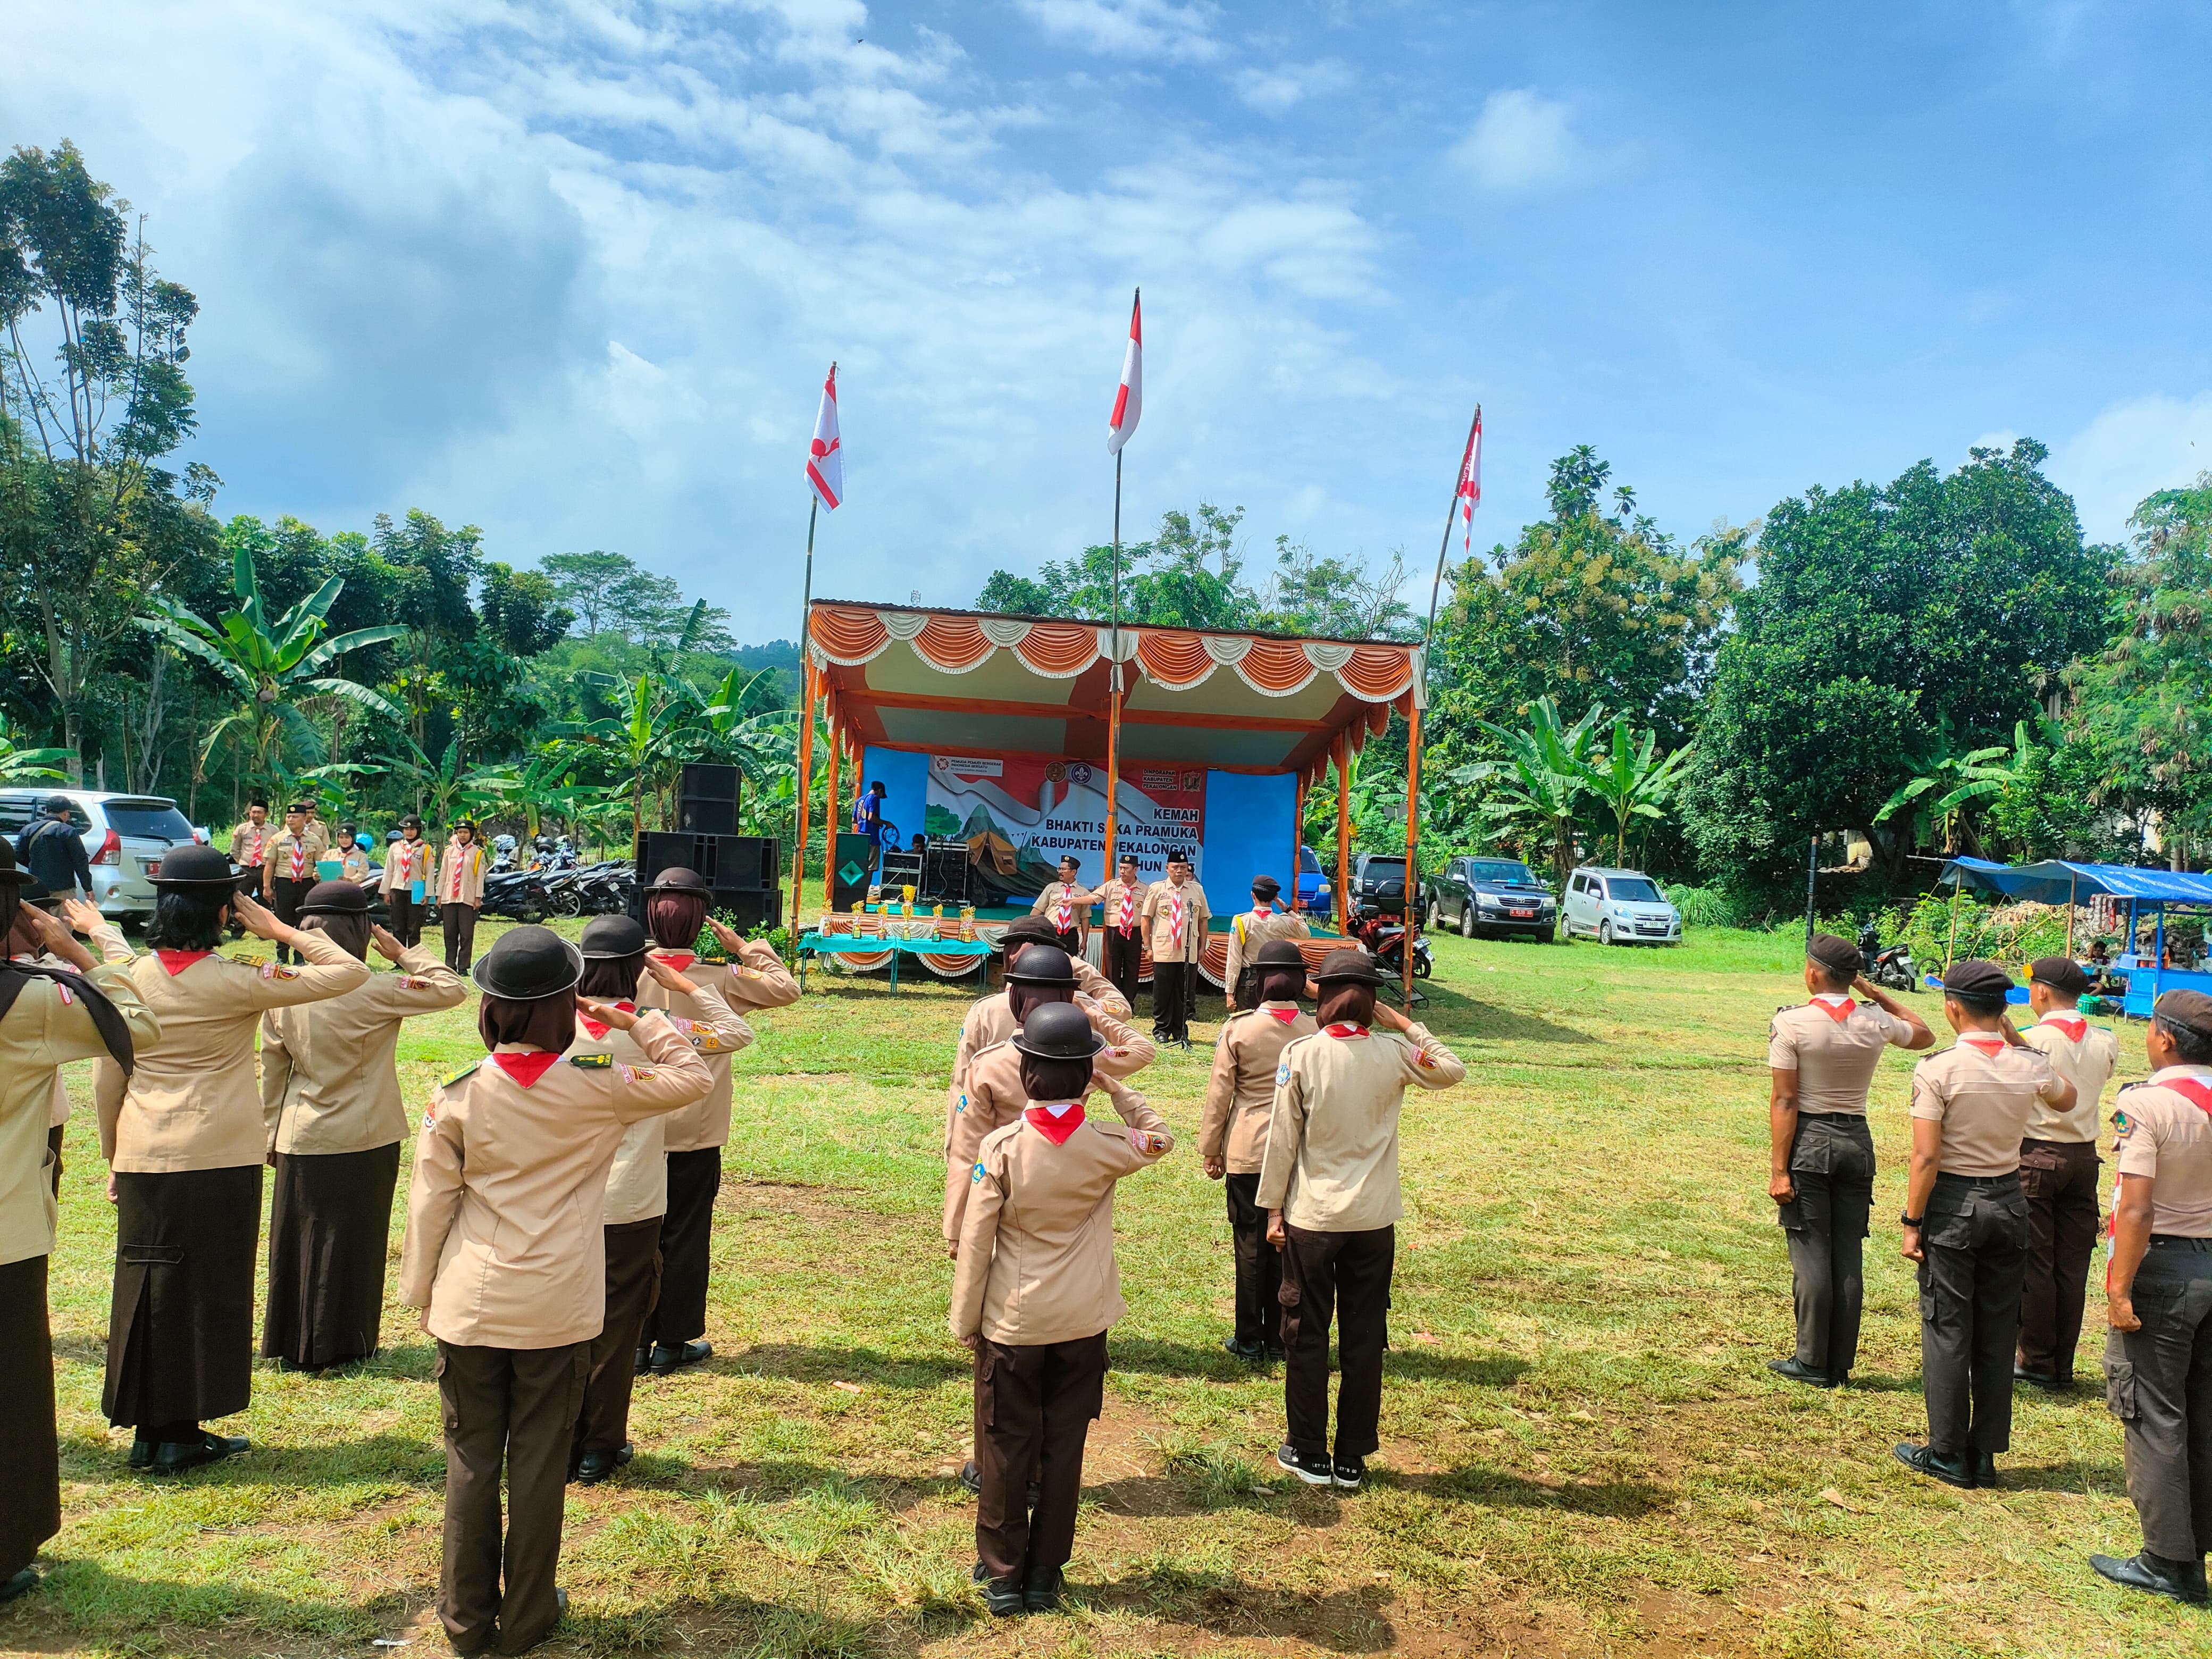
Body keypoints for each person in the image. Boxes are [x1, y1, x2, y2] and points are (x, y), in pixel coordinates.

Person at [399, 926, 710, 1656]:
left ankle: (466, 1620)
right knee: (539, 1463)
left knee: (471, 1462)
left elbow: (429, 1207)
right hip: (559, 1306)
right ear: (566, 1003)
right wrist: (641, 1020)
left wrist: (419, 1295)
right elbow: (693, 1078)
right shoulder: (599, 1083)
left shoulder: (459, 1098)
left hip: (470, 1304)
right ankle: (529, 1614)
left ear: (492, 1009)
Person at [92, 843, 368, 1472]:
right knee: (206, 1292)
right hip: (217, 1156)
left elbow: (109, 1079)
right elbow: (349, 973)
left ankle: (152, 1431)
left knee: (147, 1285)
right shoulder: (239, 982)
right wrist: (278, 929)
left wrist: (114, 1155)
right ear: (223, 914)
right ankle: (181, 1432)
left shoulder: (128, 979)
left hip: (143, 1154)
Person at [950, 1000, 1174, 1616]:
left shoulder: (999, 1148)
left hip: (1013, 1321)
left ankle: (1001, 1574)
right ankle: (1045, 1572)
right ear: (1083, 1077)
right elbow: (1161, 1137)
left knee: (1002, 1447)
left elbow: (976, 1243)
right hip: (1082, 1320)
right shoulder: (1107, 1145)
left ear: (1026, 1076)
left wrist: (965, 1320)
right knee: (1062, 1448)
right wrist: (1116, 1087)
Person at [0, 845, 156, 1603]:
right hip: (6, 1231)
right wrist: (74, 949)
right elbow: (140, 1028)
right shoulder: (28, 1000)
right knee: (10, 1394)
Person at [1257, 949, 1465, 1491]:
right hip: (1373, 1222)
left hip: (1313, 1219)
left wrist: (1273, 1211)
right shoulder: (1393, 1054)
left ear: (1323, 997)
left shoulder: (1300, 1054)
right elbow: (1451, 1070)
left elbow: (1281, 1142)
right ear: (1371, 1001)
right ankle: (1351, 1455)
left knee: (1305, 1334)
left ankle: (1307, 1451)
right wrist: (1406, 1024)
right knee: (1364, 1337)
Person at [258, 880, 466, 1373]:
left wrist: (269, 1132)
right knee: (355, 1241)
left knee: (297, 1236)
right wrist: (404, 952)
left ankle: (293, 1340)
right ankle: (345, 1341)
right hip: (364, 1132)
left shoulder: (282, 986)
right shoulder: (375, 988)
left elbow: (272, 1068)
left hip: (299, 1130)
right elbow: (453, 990)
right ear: (359, 931)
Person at [1892, 959, 2075, 1490]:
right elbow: (2066, 1098)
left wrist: (1911, 1221)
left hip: (1953, 1204)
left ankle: (1946, 1450)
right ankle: (1984, 1453)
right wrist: (2016, 1041)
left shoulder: (1937, 1069)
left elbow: (1925, 1159)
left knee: (1948, 1329)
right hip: (2008, 1201)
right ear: (2003, 1011)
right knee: (1996, 1333)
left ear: (1951, 1008)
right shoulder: (2027, 1065)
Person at [565, 916, 730, 1481]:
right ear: (639, 971)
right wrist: (683, 987)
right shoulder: (654, 1029)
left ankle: (560, 1438)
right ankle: (599, 1446)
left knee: (561, 1326)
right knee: (616, 1327)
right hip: (630, 1202)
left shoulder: (554, 1025)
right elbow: (734, 1034)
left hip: (562, 1201)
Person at [632, 867, 801, 1376]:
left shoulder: (627, 973)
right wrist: (746, 946)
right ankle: (673, 1343)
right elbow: (786, 988)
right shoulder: (721, 979)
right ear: (703, 920)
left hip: (636, 1124)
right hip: (695, 1131)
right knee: (686, 1234)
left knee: (636, 1234)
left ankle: (636, 1341)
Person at [1764, 932, 1933, 1388]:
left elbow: (1785, 1101)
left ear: (1814, 974)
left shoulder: (1792, 1024)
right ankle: (1840, 1361)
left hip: (1812, 1141)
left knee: (1811, 1253)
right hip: (1857, 1140)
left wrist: (1780, 1170)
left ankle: (1812, 1360)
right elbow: (1924, 1034)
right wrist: (1875, 994)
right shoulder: (1873, 1021)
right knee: (1847, 1254)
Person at [2091, 988, 2212, 1604]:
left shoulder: (2143, 1103)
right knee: (2201, 1408)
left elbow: (2134, 1205)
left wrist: (2117, 1289)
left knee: (2152, 1411)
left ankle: (2166, 1561)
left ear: (2164, 1039)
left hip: (2162, 1266)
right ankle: (2192, 1546)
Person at [944, 946, 1155, 1255]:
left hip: (1004, 1175)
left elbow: (967, 1150)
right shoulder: (1087, 1057)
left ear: (1015, 997)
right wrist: (1093, 1013)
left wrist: (956, 1228)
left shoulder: (987, 1064)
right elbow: (1142, 1050)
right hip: (1068, 1175)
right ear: (1069, 997)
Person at [1201, 938, 1318, 1361]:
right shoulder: (1313, 1030)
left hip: (1249, 1148)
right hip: (1299, 1152)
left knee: (1250, 1243)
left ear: (1260, 981)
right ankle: (1282, 1335)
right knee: (1290, 1245)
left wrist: (1211, 1149)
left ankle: (1249, 1338)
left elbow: (1220, 1096)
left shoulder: (1240, 1028)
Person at [2015, 955, 2121, 1391]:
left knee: (2037, 1261)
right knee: (2072, 1265)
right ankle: (2062, 1361)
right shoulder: (2108, 1040)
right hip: (2083, 1159)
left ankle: (2035, 1358)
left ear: (2040, 991)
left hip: (2036, 1155)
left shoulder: (2028, 1039)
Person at [950, 916, 1132, 1108]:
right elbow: (1121, 1008)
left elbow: (961, 1079)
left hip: (996, 1129)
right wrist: (1075, 965)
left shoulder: (984, 1010)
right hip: (1063, 1127)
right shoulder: (1077, 1006)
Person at [1140, 850, 1209, 1046]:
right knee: (1162, 992)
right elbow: (1146, 919)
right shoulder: (1157, 889)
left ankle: (1180, 1030)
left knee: (1184, 992)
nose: (1179, 871)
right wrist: (1147, 946)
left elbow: (1203, 920)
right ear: (1167, 868)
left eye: (1183, 867)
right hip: (1164, 948)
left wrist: (1202, 946)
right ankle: (1161, 1030)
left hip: (1189, 950)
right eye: (1175, 867)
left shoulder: (1196, 890)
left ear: (1188, 868)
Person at [1222, 875, 1311, 1012]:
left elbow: (1234, 958)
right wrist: (1287, 909)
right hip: (1275, 981)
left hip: (1249, 980)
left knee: (1247, 1024)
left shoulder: (1241, 921)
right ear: (1275, 897)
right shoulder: (1283, 922)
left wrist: (1229, 991)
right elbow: (1306, 933)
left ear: (1253, 895)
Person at [262, 802, 325, 966]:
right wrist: (266, 887)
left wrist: (321, 878)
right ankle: (282, 955)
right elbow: (270, 864)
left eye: (295, 817)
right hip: (284, 884)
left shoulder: (314, 840)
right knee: (283, 920)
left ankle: (300, 956)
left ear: (304, 818)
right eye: (288, 816)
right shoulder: (277, 839)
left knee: (303, 921)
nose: (290, 820)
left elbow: (321, 864)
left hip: (306, 884)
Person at [1095, 854, 1147, 1010]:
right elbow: (1093, 898)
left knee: (1133, 967)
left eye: (1126, 868)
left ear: (1136, 870)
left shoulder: (1145, 889)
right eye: (1120, 868)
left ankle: (1129, 1002)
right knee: (1112, 967)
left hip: (1135, 932)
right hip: (1114, 932)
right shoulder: (1111, 886)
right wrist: (1073, 901)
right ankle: (1114, 1001)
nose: (1122, 871)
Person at [14, 795, 89, 901]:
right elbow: (80, 861)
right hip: (63, 888)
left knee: (38, 917)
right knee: (64, 918)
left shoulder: (28, 830)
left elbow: (19, 855)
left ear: (47, 812)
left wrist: (36, 864)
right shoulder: (68, 831)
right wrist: (87, 887)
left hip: (36, 888)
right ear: (65, 813)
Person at [438, 819, 488, 975]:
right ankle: (450, 964)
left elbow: (480, 877)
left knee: (466, 934)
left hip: (467, 897)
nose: (463, 835)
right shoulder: (449, 851)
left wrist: (478, 897)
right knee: (449, 932)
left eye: (466, 832)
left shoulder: (477, 853)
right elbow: (443, 874)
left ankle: (463, 966)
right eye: (460, 832)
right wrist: (439, 895)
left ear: (471, 834)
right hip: (449, 897)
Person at [1029, 856, 1095, 958]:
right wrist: (1029, 930)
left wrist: (1085, 941)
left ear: (1073, 872)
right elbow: (1038, 909)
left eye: (1064, 869)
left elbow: (1085, 918)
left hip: (1070, 935)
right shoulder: (1051, 888)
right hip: (1051, 931)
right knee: (1047, 960)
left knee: (1069, 964)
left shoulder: (1083, 892)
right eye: (1059, 869)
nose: (1060, 872)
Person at [383, 816, 433, 947]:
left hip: (416, 890)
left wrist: (428, 895)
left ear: (419, 830)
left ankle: (413, 958)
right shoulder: (395, 847)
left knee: (414, 927)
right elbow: (389, 870)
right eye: (406, 829)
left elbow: (429, 873)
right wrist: (385, 892)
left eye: (413, 829)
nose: (409, 832)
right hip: (397, 889)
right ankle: (400, 959)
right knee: (398, 926)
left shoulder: (425, 849)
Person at [228, 799, 272, 909]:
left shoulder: (273, 831)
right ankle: (239, 925)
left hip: (265, 870)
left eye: (259, 812)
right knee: (242, 899)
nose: (256, 815)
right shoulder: (242, 829)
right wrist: (242, 862)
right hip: (246, 869)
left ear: (266, 814)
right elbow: (235, 850)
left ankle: (265, 924)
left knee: (266, 899)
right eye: (253, 812)